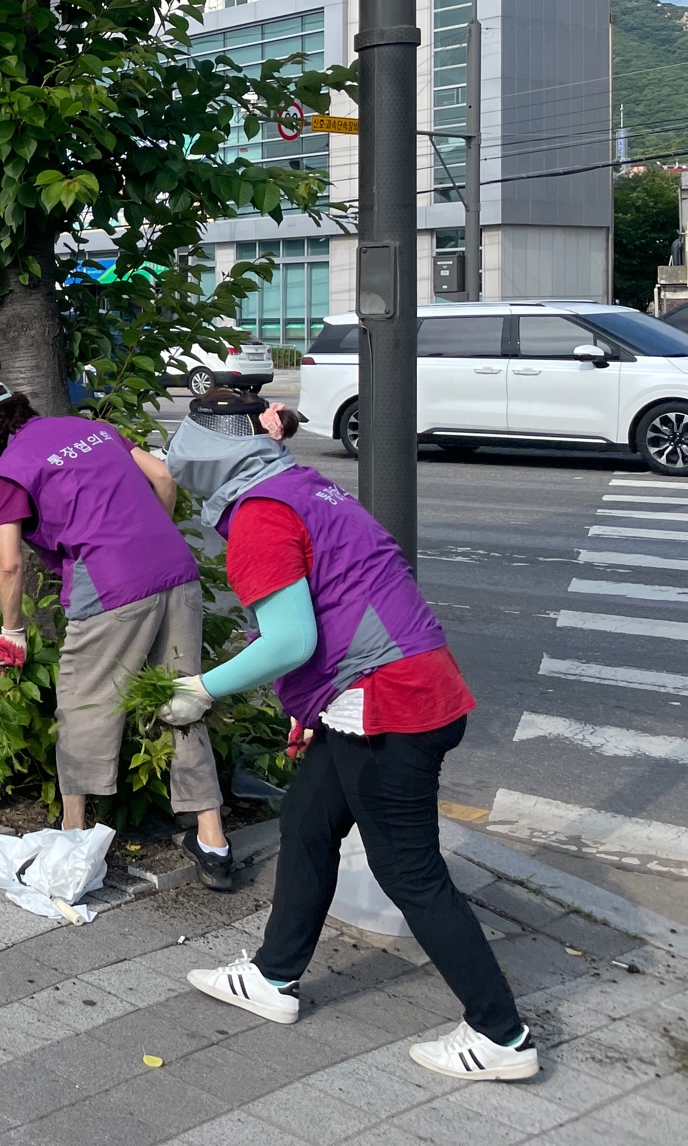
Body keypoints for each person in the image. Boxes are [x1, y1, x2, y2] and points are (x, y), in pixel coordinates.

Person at [159, 389, 536, 1082]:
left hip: (388, 703)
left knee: (409, 871)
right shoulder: (302, 486)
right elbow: (348, 599)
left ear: (203, 469)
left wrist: (201, 689)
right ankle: (274, 977)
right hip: (394, 685)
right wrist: (317, 702)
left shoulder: (260, 519)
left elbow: (292, 639)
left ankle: (500, 1035)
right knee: (306, 821)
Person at [0, 376, 235, 890]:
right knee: (183, 698)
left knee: (83, 708)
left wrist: (12, 629)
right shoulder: (90, 428)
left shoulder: (10, 471)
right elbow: (164, 479)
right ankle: (212, 839)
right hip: (175, 570)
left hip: (109, 588)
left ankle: (75, 831)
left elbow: (9, 564)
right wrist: (149, 544)